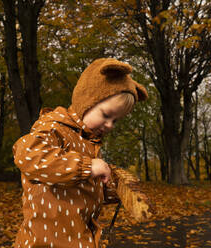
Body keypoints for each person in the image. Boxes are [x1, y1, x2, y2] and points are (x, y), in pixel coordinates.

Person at [13, 58, 148, 248]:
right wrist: (87, 166)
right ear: (87, 101)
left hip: (80, 238)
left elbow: (85, 187)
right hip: (46, 241)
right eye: (106, 115)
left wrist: (116, 189)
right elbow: (28, 154)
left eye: (115, 121)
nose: (109, 125)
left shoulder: (88, 143)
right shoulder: (54, 128)